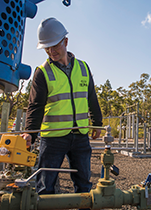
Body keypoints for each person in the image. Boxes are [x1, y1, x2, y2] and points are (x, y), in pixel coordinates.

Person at [21, 17, 103, 195]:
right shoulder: (42, 72)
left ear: (65, 41)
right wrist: (30, 133)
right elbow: (36, 106)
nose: (51, 51)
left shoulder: (83, 68)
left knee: (84, 186)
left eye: (55, 46)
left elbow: (91, 97)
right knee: (45, 187)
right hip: (53, 138)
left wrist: (97, 122)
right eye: (47, 48)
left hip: (80, 135)